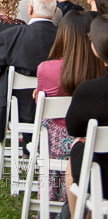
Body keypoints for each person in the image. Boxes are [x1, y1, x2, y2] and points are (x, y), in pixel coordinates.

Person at [35, 12, 104, 206]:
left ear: (62, 35)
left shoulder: (45, 68)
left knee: (45, 123)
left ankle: (50, 203)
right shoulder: (100, 69)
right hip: (91, 141)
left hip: (56, 142)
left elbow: (41, 110)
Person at [0, 0, 58, 144]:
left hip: (18, 109)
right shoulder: (65, 36)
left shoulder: (12, 36)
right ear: (54, 10)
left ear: (30, 9)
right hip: (57, 109)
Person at [65, 15, 108, 219]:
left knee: (78, 145)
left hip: (102, 177)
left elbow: (73, 129)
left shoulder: (89, 90)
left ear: (97, 48)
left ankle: (77, 217)